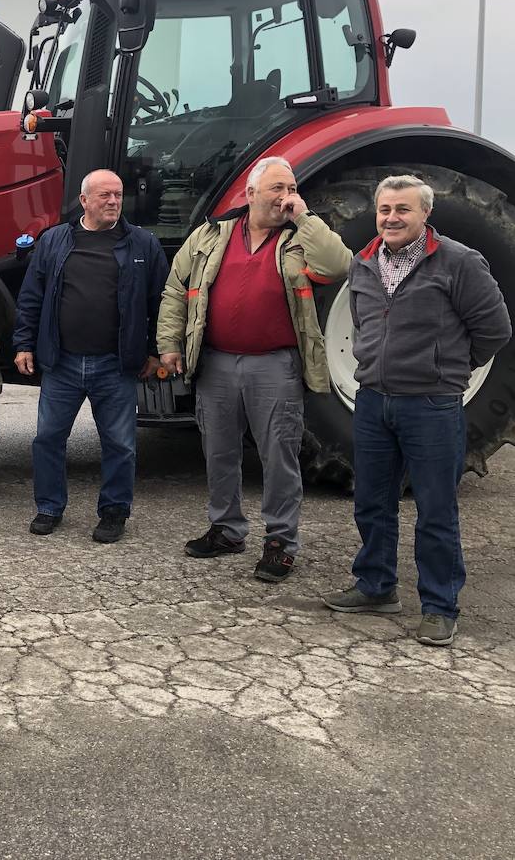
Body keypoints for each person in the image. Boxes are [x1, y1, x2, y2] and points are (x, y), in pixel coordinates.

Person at [322, 175, 510, 646]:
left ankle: (439, 605)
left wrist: (449, 369)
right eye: (385, 209)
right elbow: (365, 323)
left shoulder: (459, 262)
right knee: (372, 500)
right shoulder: (364, 263)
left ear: (426, 213)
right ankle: (375, 586)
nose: (391, 218)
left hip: (431, 405)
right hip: (373, 400)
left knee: (435, 508)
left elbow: (494, 329)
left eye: (403, 210)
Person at [157, 156, 351, 581]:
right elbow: (176, 288)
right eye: (277, 189)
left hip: (275, 366)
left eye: (292, 188)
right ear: (250, 194)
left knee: (279, 455)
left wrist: (304, 214)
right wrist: (170, 344)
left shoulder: (300, 237)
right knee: (219, 451)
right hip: (217, 363)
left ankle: (280, 541)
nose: (286, 197)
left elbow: (339, 265)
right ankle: (226, 529)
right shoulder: (210, 235)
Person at [12, 169, 168, 542]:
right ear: (84, 201)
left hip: (115, 365)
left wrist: (155, 351)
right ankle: (49, 507)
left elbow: (160, 302)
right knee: (48, 438)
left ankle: (114, 512)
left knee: (119, 442)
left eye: (117, 195)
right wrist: (23, 344)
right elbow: (31, 297)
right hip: (62, 362)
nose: (114, 202)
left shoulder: (143, 245)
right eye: (105, 196)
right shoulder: (54, 241)